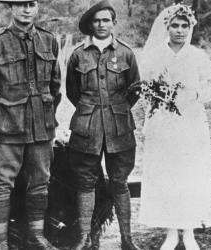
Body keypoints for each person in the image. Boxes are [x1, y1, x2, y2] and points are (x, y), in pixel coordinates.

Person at [0, 0, 61, 249]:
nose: (26, 9)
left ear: (37, 8)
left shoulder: (49, 40)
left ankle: (36, 236)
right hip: (8, 128)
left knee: (40, 182)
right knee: (1, 183)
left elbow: (55, 86)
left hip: (41, 127)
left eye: (31, 4)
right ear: (11, 8)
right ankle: (1, 242)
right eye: (20, 4)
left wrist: (47, 118)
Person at [138, 3, 211, 250]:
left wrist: (194, 95)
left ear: (191, 28)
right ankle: (171, 231)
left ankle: (189, 230)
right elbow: (144, 90)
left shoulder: (198, 56)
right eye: (175, 25)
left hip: (191, 124)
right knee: (167, 175)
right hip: (163, 123)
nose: (180, 30)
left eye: (185, 26)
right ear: (167, 27)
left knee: (190, 174)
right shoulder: (153, 56)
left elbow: (210, 88)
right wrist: (159, 98)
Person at [65, 0, 141, 249]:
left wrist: (114, 111)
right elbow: (72, 93)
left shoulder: (127, 53)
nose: (101, 25)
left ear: (113, 23)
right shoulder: (77, 55)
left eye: (106, 20)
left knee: (119, 181)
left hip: (119, 128)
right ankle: (85, 238)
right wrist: (92, 112)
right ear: (90, 24)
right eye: (96, 20)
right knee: (85, 181)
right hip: (87, 128)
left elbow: (134, 90)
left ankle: (126, 240)